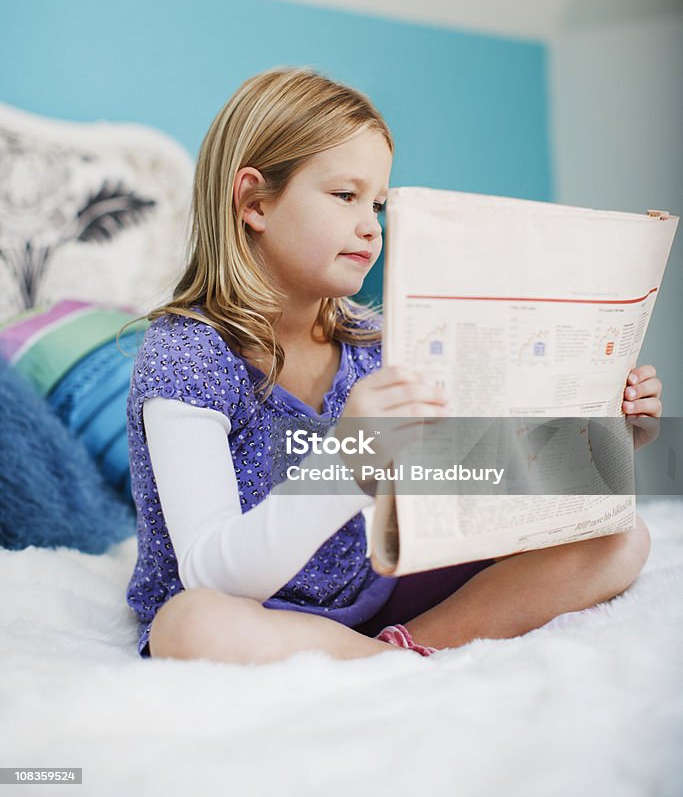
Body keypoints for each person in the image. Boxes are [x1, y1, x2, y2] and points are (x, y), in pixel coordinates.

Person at [124, 67, 660, 663]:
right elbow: (209, 573)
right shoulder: (187, 356)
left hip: (377, 583)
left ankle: (404, 648)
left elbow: (466, 472)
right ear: (254, 201)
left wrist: (600, 441)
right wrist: (349, 460)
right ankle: (389, 662)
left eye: (377, 203)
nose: (371, 227)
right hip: (252, 607)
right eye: (345, 195)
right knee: (190, 625)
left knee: (618, 538)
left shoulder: (375, 341)